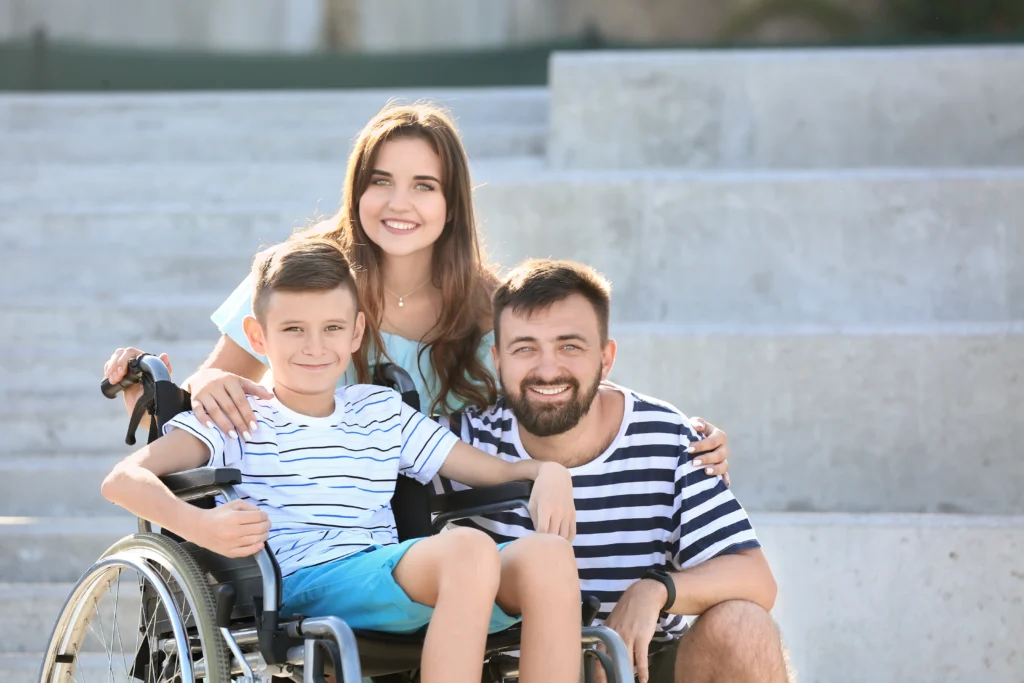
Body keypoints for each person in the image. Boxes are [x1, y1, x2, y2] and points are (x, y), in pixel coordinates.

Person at [104, 100, 734, 479]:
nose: (398, 204)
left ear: (452, 204)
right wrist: (196, 385)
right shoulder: (301, 277)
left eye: (424, 186)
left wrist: (683, 434)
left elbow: (557, 379)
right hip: (311, 504)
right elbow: (213, 384)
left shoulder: (490, 306)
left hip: (451, 517)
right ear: (358, 190)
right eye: (382, 181)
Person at [100, 240, 584, 683]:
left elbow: (495, 472)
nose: (315, 346)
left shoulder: (379, 409)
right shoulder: (236, 418)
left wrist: (549, 471)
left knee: (548, 557)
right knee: (468, 549)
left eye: (332, 328)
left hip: (388, 575)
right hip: (301, 583)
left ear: (355, 332)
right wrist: (199, 526)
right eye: (293, 329)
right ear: (258, 336)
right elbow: (124, 480)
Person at [440, 259, 790, 683]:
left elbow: (755, 577)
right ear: (497, 359)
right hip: (510, 670)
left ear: (606, 358)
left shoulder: (669, 438)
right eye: (525, 347)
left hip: (645, 664)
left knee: (743, 625)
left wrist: (656, 589)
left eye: (570, 346)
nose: (548, 369)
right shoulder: (464, 443)